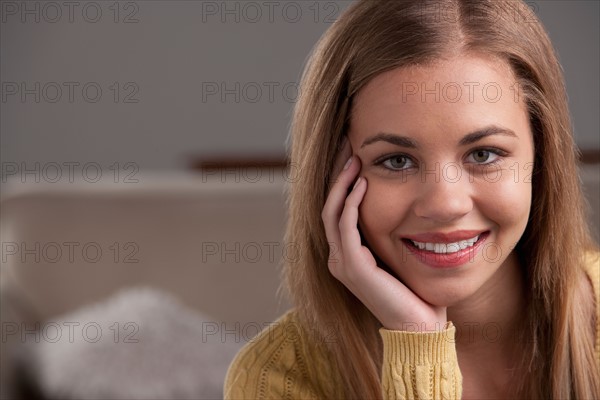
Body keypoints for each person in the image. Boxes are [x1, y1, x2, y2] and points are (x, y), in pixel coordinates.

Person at [224, 0, 600, 398]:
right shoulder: (277, 378)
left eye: (483, 154)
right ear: (334, 175)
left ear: (541, 158)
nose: (444, 204)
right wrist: (417, 341)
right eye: (397, 160)